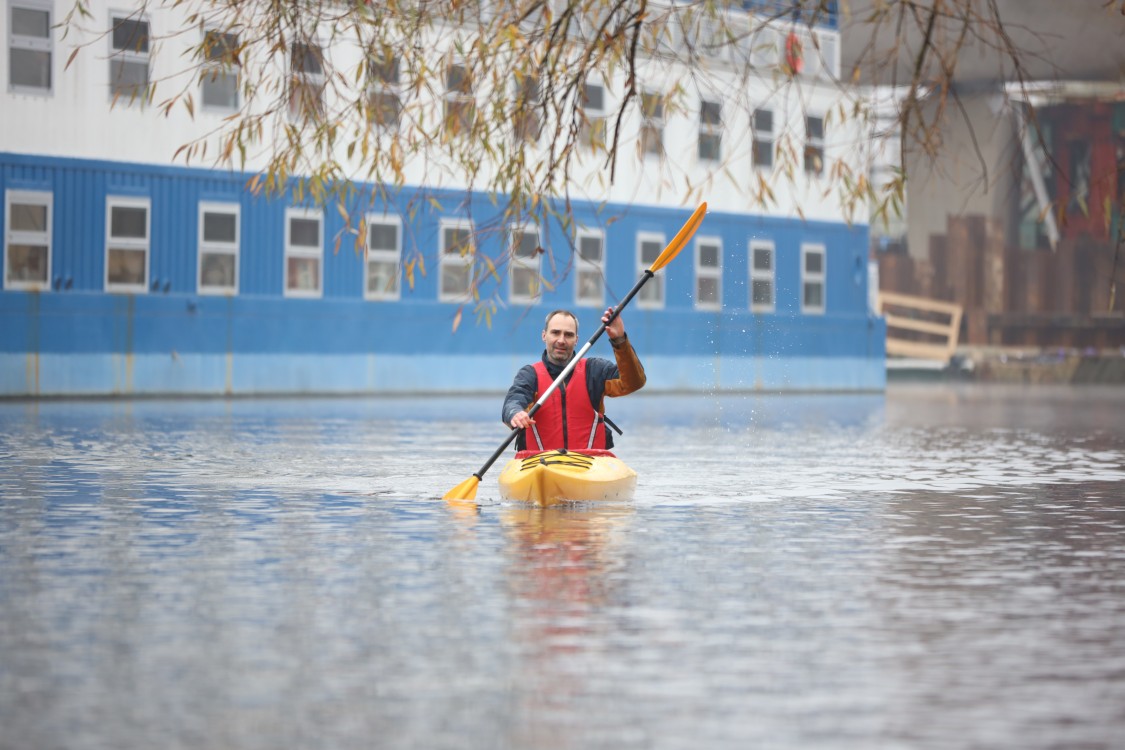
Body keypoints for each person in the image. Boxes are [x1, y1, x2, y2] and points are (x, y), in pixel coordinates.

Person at [502, 307, 646, 452]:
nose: (561, 340)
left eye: (568, 335)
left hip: (591, 464)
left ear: (576, 340)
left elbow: (634, 382)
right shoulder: (529, 375)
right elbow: (514, 400)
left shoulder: (595, 371)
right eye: (555, 333)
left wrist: (619, 340)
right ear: (544, 335)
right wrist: (515, 413)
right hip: (540, 464)